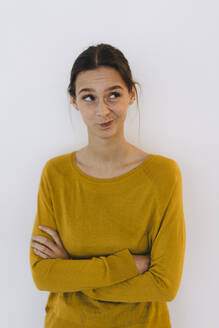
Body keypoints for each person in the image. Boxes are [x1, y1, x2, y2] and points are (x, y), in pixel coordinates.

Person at [29, 43, 186, 328]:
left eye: (113, 95)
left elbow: (164, 285)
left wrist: (74, 274)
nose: (103, 110)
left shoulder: (164, 175)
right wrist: (129, 265)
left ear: (131, 95)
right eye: (89, 97)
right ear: (74, 101)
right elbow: (44, 275)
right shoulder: (56, 174)